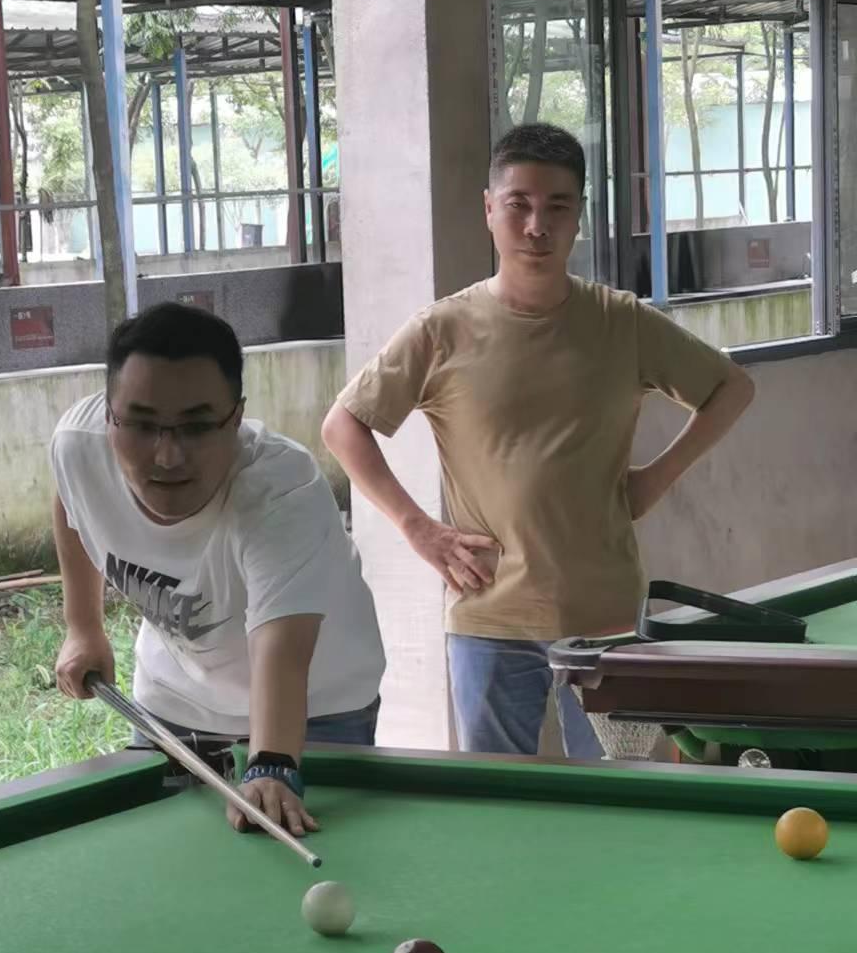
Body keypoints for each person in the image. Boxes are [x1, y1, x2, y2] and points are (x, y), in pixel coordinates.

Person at [322, 121, 756, 759]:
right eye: (518, 205)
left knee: (624, 789)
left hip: (605, 613)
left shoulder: (622, 321)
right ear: (488, 209)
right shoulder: (442, 330)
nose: (536, 226)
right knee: (498, 799)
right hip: (488, 613)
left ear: (579, 216)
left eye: (557, 207)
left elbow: (732, 388)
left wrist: (654, 479)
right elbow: (343, 426)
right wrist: (418, 529)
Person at [50, 301, 386, 837]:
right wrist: (83, 627)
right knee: (167, 859)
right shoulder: (78, 445)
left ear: (237, 416)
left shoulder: (281, 489)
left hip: (319, 706)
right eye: (141, 424)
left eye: (197, 425)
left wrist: (273, 763)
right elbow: (72, 500)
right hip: (174, 700)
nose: (167, 456)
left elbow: (282, 646)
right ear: (110, 414)